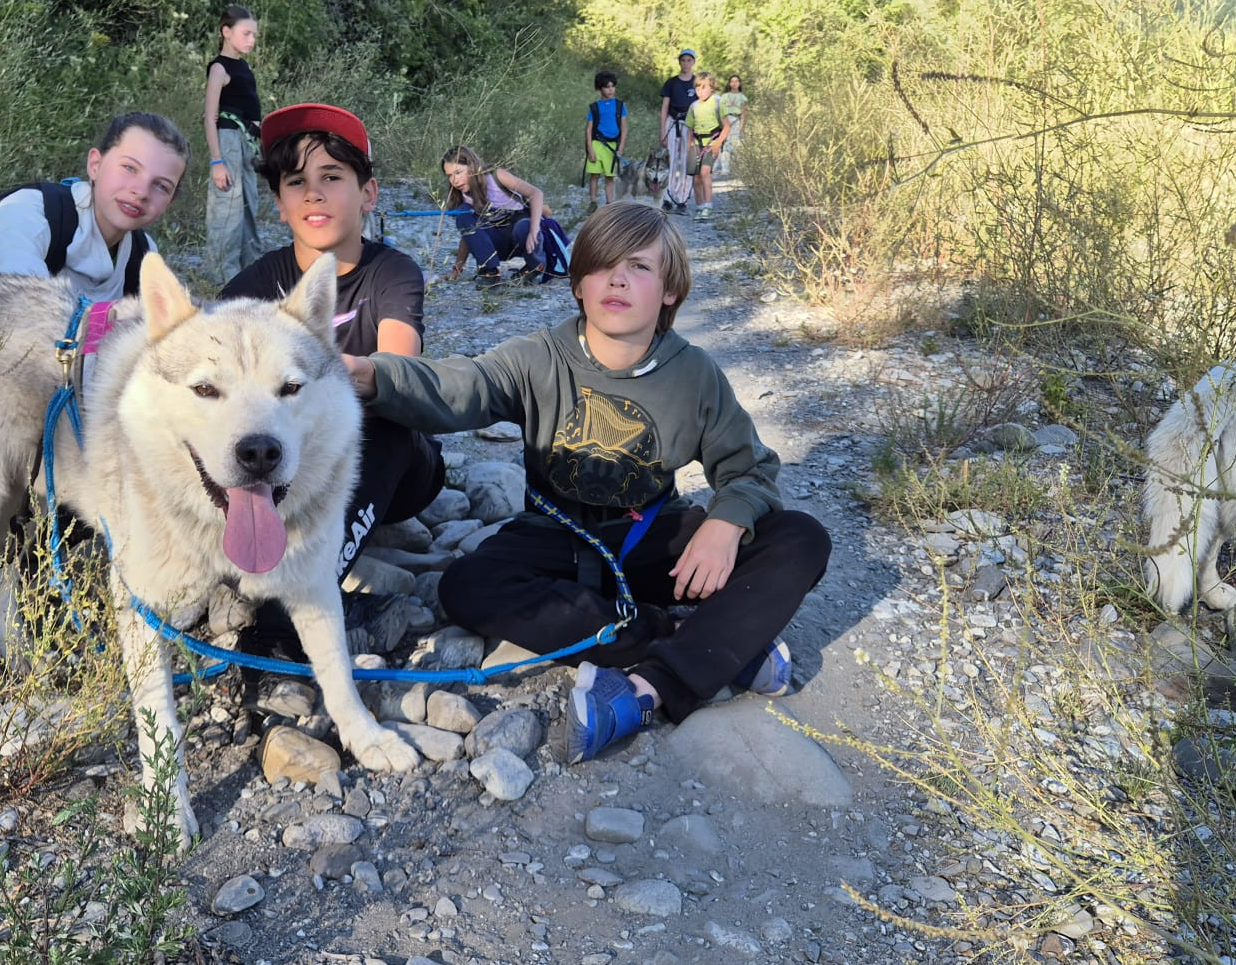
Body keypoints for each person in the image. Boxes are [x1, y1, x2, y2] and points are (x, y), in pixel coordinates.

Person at [344, 201, 832, 763]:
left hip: (652, 539)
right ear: (578, 284)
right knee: (467, 587)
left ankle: (655, 685)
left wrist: (725, 521)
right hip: (553, 535)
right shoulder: (538, 357)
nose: (618, 278)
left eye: (640, 267)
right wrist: (373, 374)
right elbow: (462, 384)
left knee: (799, 536)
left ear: (670, 291)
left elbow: (749, 468)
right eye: (601, 266)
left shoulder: (695, 373)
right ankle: (700, 643)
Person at [221, 103, 445, 580]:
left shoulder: (393, 273)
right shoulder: (252, 285)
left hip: (397, 464)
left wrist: (328, 379)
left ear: (368, 194)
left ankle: (305, 593)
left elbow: (397, 368)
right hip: (285, 461)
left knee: (381, 419)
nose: (314, 194)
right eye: (296, 182)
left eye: (332, 177)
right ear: (280, 206)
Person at [0, 112, 188, 300]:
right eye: (129, 168)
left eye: (161, 186)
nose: (141, 191)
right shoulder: (28, 214)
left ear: (170, 201)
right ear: (95, 164)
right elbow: (22, 311)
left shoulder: (142, 254)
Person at [203, 4, 264, 282]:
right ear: (226, 32)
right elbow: (210, 117)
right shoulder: (219, 68)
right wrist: (217, 161)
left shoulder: (244, 66)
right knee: (228, 207)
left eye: (254, 35)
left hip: (248, 141)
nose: (251, 40)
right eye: (246, 33)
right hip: (227, 140)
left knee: (249, 205)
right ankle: (221, 274)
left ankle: (250, 268)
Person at [441, 145, 547, 287]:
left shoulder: (495, 175)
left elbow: (536, 193)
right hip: (497, 243)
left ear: (472, 167)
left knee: (524, 226)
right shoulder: (463, 197)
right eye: (449, 176)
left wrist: (534, 230)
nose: (454, 180)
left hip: (522, 236)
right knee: (464, 214)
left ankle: (534, 266)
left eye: (458, 172)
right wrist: (456, 270)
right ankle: (490, 272)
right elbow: (469, 234)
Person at [656, 49, 699, 213]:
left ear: (693, 62)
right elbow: (664, 107)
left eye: (689, 60)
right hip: (672, 122)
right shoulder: (672, 83)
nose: (686, 63)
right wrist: (663, 131)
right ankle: (667, 198)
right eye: (683, 60)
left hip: (689, 124)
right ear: (679, 62)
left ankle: (682, 199)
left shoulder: (697, 83)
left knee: (686, 161)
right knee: (671, 161)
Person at [684, 72, 731, 216]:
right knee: (696, 177)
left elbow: (727, 126)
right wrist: (688, 147)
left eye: (704, 88)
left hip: (712, 142)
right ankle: (699, 206)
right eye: (698, 88)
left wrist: (717, 146)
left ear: (712, 88)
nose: (700, 91)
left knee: (705, 172)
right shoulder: (693, 106)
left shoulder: (718, 102)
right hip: (696, 144)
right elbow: (690, 129)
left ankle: (708, 206)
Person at [585, 71, 628, 211]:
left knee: (610, 176)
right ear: (599, 88)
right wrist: (590, 149)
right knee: (594, 175)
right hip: (597, 143)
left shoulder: (620, 106)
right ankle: (593, 202)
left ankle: (609, 203)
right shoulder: (594, 107)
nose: (610, 90)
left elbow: (624, 128)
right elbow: (589, 129)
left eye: (612, 86)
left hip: (613, 145)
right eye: (606, 87)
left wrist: (621, 147)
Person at [715, 75, 748, 176]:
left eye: (737, 81)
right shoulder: (725, 96)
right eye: (732, 81)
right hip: (726, 120)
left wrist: (741, 125)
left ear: (739, 83)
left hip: (736, 120)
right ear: (729, 83)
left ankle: (740, 169)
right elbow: (720, 110)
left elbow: (743, 112)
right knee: (725, 145)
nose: (734, 83)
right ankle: (725, 169)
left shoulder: (742, 97)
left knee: (736, 145)